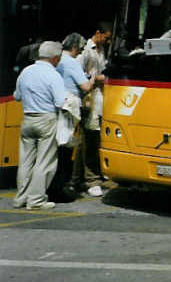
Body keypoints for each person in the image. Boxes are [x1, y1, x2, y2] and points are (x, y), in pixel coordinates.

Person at [13, 41, 66, 210]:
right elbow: (60, 102)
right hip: (46, 119)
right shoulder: (53, 75)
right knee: (45, 161)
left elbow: (17, 96)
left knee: (25, 161)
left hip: (27, 119)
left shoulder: (25, 72)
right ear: (55, 58)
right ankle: (36, 200)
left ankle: (21, 198)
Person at [50, 33, 91, 201]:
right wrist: (94, 79)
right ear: (74, 47)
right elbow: (85, 86)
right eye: (80, 49)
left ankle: (51, 185)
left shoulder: (55, 60)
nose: (80, 52)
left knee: (54, 147)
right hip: (70, 107)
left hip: (55, 105)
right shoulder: (72, 63)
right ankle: (59, 188)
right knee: (66, 147)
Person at [73, 22, 112, 197]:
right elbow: (78, 73)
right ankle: (91, 179)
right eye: (106, 37)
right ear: (98, 33)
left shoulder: (102, 51)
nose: (108, 41)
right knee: (89, 139)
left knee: (87, 140)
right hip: (89, 99)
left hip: (99, 98)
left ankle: (77, 179)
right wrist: (98, 78)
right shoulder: (85, 51)